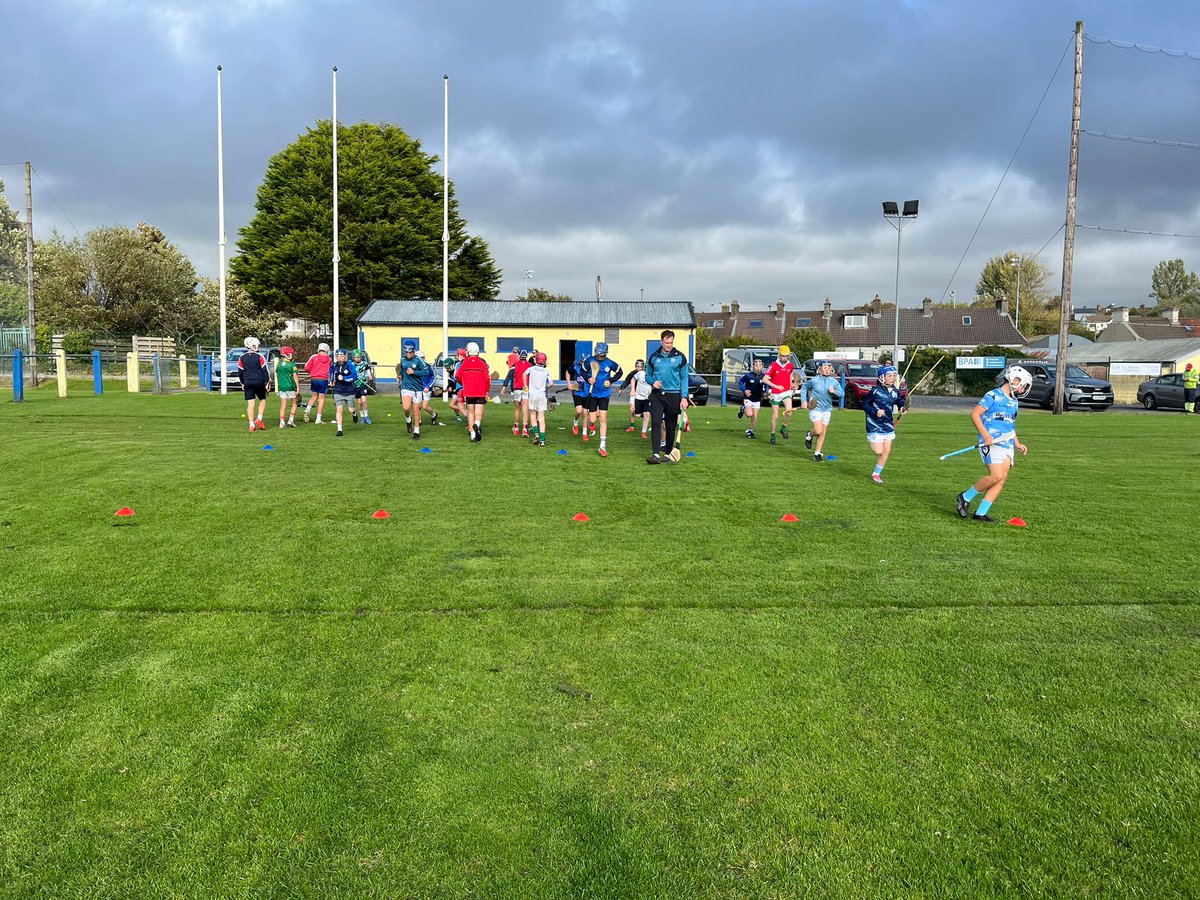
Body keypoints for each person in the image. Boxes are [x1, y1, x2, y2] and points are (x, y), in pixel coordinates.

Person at [956, 365, 1032, 523]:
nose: (1023, 388)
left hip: (1007, 443)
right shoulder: (993, 395)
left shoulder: (1014, 401)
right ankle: (965, 497)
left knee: (1001, 478)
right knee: (996, 475)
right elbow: (975, 414)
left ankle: (981, 513)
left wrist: (1017, 443)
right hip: (991, 442)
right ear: (1014, 380)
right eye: (1023, 384)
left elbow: (1010, 424)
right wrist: (985, 435)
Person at [645, 330, 689, 464]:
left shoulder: (680, 357)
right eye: (666, 342)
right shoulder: (653, 357)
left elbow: (685, 378)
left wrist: (684, 397)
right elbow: (647, 375)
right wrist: (653, 382)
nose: (669, 345)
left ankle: (668, 453)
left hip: (674, 395)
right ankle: (656, 455)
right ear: (661, 342)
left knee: (670, 427)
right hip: (657, 395)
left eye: (671, 342)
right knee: (656, 423)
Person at [862, 364, 905, 483]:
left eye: (894, 376)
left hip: (887, 425)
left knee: (886, 451)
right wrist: (875, 412)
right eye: (889, 376)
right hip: (874, 425)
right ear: (882, 377)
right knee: (878, 451)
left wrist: (902, 407)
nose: (892, 378)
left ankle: (876, 474)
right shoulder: (874, 391)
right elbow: (865, 404)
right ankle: (876, 472)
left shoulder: (895, 391)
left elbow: (900, 400)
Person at [584, 342, 623, 458]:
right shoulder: (590, 361)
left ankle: (602, 445)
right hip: (593, 393)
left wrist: (611, 380)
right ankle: (591, 425)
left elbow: (620, 372)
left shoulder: (610, 363)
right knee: (592, 418)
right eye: (598, 355)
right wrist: (588, 378)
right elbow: (583, 371)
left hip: (604, 394)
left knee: (603, 418)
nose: (600, 357)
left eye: (602, 355)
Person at [800, 359, 844, 461]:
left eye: (829, 368)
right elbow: (804, 387)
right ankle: (809, 434)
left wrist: (835, 392)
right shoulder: (814, 380)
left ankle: (817, 453)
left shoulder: (834, 382)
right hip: (815, 408)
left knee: (823, 432)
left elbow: (842, 394)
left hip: (827, 409)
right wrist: (803, 400)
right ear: (819, 370)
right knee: (818, 430)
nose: (827, 370)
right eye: (824, 368)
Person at [456, 341, 491, 441]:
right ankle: (477, 424)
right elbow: (487, 378)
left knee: (471, 412)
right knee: (478, 413)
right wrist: (486, 390)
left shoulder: (465, 362)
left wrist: (464, 383)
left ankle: (472, 434)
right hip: (480, 391)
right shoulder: (482, 362)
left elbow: (457, 375)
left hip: (469, 391)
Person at [763, 345, 797, 445]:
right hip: (776, 393)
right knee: (775, 416)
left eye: (787, 356)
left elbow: (789, 375)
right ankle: (773, 435)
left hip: (786, 391)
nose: (785, 358)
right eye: (783, 356)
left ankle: (783, 428)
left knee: (789, 412)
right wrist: (776, 386)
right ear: (779, 355)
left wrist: (792, 384)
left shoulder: (790, 365)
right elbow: (765, 379)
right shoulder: (773, 365)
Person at [238, 336, 270, 432]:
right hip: (259, 381)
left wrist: (242, 383)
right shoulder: (260, 356)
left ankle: (251, 425)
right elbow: (265, 370)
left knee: (251, 404)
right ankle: (259, 419)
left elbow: (240, 372)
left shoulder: (242, 357)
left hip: (248, 382)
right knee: (262, 400)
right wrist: (267, 382)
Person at [398, 343, 430, 439]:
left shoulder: (419, 360)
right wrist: (400, 375)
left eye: (410, 352)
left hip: (417, 389)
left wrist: (414, 372)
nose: (408, 354)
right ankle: (408, 420)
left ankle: (416, 431)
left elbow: (426, 372)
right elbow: (401, 370)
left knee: (416, 411)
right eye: (406, 352)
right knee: (406, 408)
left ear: (413, 352)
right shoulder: (402, 359)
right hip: (406, 387)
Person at [619, 359, 653, 439]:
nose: (639, 368)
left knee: (647, 413)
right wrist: (623, 388)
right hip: (636, 394)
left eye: (640, 366)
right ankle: (632, 425)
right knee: (634, 411)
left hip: (647, 396)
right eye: (637, 366)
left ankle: (644, 431)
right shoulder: (634, 373)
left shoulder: (652, 374)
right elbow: (628, 380)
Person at [525, 351, 553, 446]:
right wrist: (546, 386)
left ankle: (536, 433)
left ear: (536, 360)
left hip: (532, 394)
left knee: (533, 415)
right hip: (542, 395)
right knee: (541, 418)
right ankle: (542, 440)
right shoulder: (546, 371)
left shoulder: (531, 369)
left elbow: (524, 374)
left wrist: (525, 385)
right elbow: (551, 383)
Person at [329, 347, 358, 437]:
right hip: (338, 390)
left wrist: (344, 378)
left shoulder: (350, 365)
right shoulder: (334, 365)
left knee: (350, 409)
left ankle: (354, 413)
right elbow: (331, 372)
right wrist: (331, 380)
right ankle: (340, 429)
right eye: (337, 356)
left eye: (341, 356)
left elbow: (354, 376)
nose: (339, 357)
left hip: (349, 390)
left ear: (345, 356)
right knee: (339, 409)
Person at [303, 342, 333, 424]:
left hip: (314, 379)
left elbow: (306, 367)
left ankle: (307, 410)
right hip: (323, 380)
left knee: (314, 396)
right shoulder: (329, 359)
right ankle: (318, 418)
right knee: (321, 399)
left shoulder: (313, 357)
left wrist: (311, 372)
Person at [737, 358, 767, 439]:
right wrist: (745, 390)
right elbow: (740, 382)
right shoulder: (748, 375)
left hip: (757, 399)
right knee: (749, 414)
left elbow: (767, 385)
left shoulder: (764, 376)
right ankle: (743, 408)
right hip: (748, 398)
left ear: (762, 366)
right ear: (753, 366)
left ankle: (750, 431)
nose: (758, 367)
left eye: (760, 365)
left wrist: (766, 393)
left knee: (754, 418)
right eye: (756, 365)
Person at [568, 351, 591, 440]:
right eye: (582, 361)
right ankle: (575, 423)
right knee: (579, 411)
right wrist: (569, 384)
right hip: (577, 392)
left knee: (585, 413)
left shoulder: (591, 369)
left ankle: (584, 433)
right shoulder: (575, 366)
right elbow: (567, 372)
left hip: (587, 392)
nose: (583, 363)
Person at [275, 345, 300, 428]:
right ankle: (291, 420)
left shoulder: (279, 364)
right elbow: (295, 376)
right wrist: (298, 387)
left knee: (283, 405)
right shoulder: (292, 364)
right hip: (290, 386)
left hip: (281, 387)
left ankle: (281, 422)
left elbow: (278, 375)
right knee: (294, 403)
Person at [416, 351, 441, 425]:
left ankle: (434, 414)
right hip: (417, 388)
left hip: (426, 389)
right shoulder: (414, 367)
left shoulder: (428, 367)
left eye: (422, 358)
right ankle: (419, 420)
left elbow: (433, 377)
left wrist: (428, 386)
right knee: (417, 405)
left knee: (425, 406)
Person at [350, 349, 373, 425]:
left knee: (364, 400)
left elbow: (368, 370)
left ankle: (366, 416)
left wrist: (369, 376)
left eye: (358, 357)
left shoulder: (365, 364)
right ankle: (362, 416)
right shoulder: (352, 365)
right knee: (359, 402)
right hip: (356, 385)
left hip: (363, 385)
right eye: (356, 357)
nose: (357, 359)